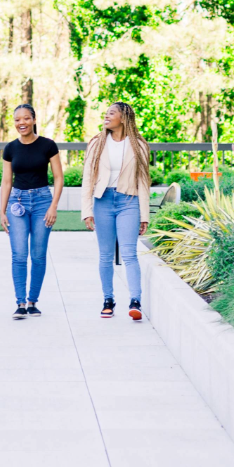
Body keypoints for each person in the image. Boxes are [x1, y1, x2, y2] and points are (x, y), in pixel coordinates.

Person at [80, 102, 151, 320]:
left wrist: (144, 214)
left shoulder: (139, 145)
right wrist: (87, 210)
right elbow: (88, 179)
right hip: (103, 201)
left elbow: (143, 181)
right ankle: (108, 300)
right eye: (106, 113)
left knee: (129, 253)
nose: (106, 116)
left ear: (124, 117)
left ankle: (135, 301)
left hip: (129, 200)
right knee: (105, 255)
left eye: (112, 113)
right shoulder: (97, 143)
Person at [0, 104, 64, 320]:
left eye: (26, 118)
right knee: (18, 255)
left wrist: (53, 206)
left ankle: (33, 301)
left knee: (38, 255)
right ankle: (20, 302)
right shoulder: (10, 148)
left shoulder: (48, 145)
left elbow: (58, 178)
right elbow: (7, 181)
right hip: (17, 203)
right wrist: (2, 211)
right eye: (17, 120)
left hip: (43, 202)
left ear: (34, 120)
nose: (21, 123)